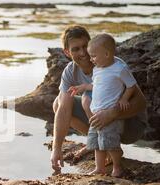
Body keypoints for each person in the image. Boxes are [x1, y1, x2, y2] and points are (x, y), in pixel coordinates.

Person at [51, 25, 147, 174]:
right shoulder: (70, 71)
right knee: (59, 103)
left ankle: (107, 146)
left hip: (132, 124)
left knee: (86, 99)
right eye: (76, 49)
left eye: (85, 46)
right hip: (104, 121)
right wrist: (57, 149)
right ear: (67, 53)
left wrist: (112, 113)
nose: (83, 53)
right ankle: (99, 145)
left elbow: (141, 102)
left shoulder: (112, 63)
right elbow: (63, 109)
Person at [85, 33, 137, 177]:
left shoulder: (119, 68)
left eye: (94, 56)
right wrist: (83, 87)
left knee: (110, 142)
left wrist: (124, 99)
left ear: (107, 54)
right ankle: (99, 168)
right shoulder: (97, 69)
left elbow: (131, 85)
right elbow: (96, 86)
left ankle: (117, 167)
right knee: (97, 143)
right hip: (97, 114)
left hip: (110, 115)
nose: (91, 59)